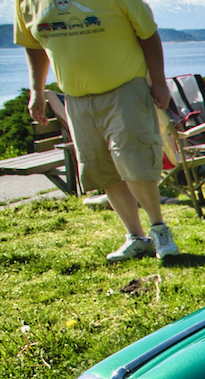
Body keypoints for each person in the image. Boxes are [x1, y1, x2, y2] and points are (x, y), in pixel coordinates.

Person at [14, 0, 179, 263]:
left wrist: (159, 81)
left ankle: (159, 229)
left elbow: (148, 35)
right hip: (76, 98)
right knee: (101, 167)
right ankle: (136, 237)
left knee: (133, 160)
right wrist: (37, 91)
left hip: (125, 89)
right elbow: (33, 46)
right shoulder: (26, 2)